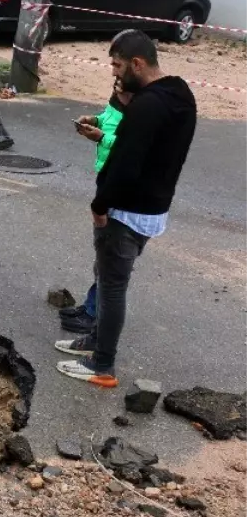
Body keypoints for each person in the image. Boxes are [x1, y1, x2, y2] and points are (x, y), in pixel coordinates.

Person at [55, 30, 196, 388]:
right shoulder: (179, 94)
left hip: (125, 211)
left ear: (137, 63)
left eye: (118, 66)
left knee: (112, 287)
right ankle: (94, 341)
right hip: (153, 208)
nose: (114, 73)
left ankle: (102, 366)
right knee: (106, 278)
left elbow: (126, 163)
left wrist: (100, 205)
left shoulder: (146, 107)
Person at [59, 79, 134, 334]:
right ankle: (91, 307)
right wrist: (95, 121)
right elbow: (109, 118)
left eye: (120, 83)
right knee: (104, 254)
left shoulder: (140, 110)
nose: (115, 87)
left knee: (110, 256)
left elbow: (130, 146)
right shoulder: (118, 100)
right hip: (107, 174)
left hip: (120, 182)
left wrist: (101, 137)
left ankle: (95, 316)